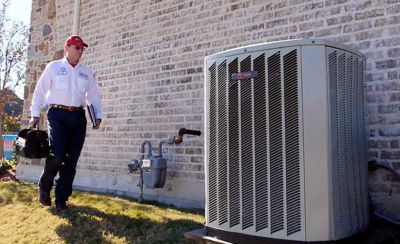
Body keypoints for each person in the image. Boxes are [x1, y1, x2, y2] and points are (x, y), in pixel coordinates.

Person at [29, 35, 102, 211]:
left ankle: (61, 199)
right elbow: (40, 91)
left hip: (78, 117)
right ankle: (44, 187)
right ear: (67, 47)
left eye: (82, 48)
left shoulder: (86, 72)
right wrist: (35, 114)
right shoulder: (54, 67)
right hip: (57, 115)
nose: (80, 51)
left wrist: (97, 116)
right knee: (58, 154)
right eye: (77, 47)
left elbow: (93, 97)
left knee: (71, 160)